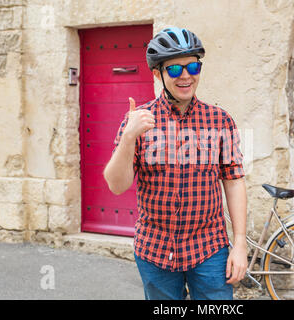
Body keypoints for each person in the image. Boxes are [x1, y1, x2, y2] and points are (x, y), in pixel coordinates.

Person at [103, 27, 247, 300]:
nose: (185, 76)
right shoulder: (137, 121)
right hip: (154, 250)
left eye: (193, 66)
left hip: (209, 249)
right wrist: (128, 137)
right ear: (157, 73)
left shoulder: (220, 120)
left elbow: (234, 180)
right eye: (174, 70)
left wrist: (239, 244)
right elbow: (117, 185)